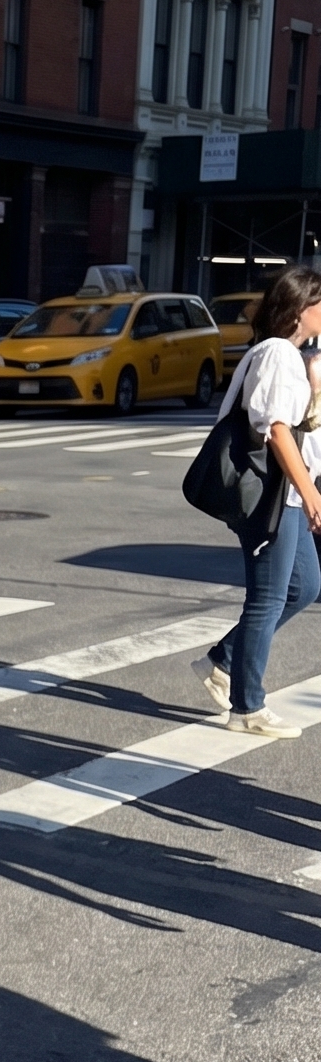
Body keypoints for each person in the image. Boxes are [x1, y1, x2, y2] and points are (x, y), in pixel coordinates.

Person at [192, 265, 321, 737]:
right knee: (267, 598)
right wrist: (310, 492)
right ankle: (247, 708)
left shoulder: (293, 355)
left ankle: (224, 661)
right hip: (271, 495)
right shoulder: (276, 354)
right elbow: (276, 429)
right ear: (301, 308)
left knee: (304, 587)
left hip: (287, 495)